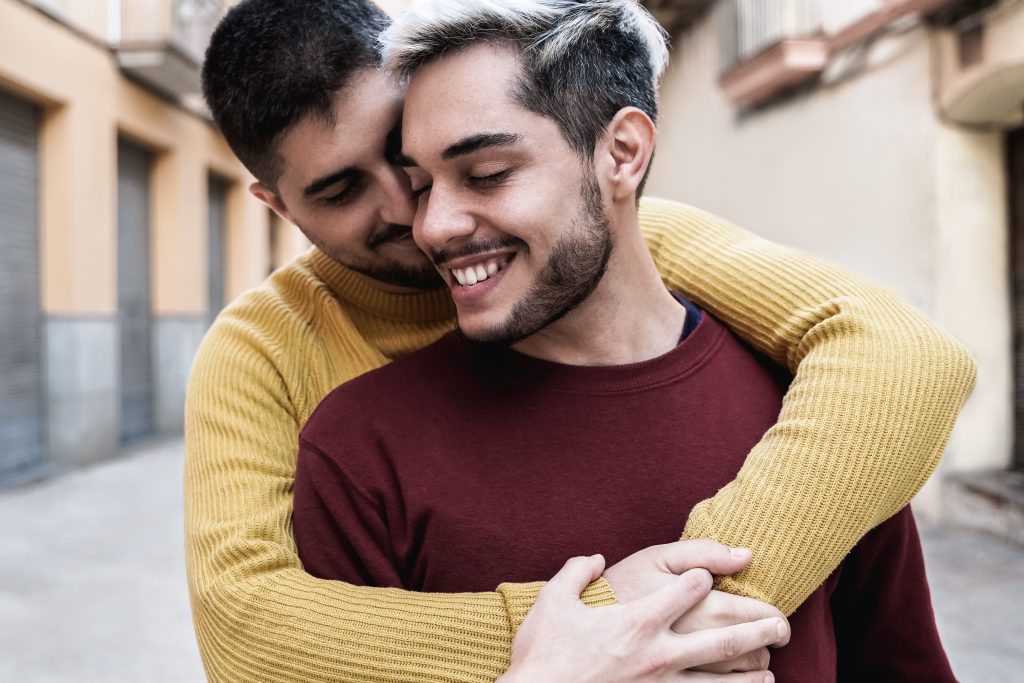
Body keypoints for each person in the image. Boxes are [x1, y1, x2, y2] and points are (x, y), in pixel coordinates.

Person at [186, 0, 976, 680]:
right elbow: (248, 626)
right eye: (340, 189)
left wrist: (690, 602)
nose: (414, 214)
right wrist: (593, 630)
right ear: (276, 204)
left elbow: (898, 352)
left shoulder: (639, 247)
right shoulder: (283, 367)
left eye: (412, 161)